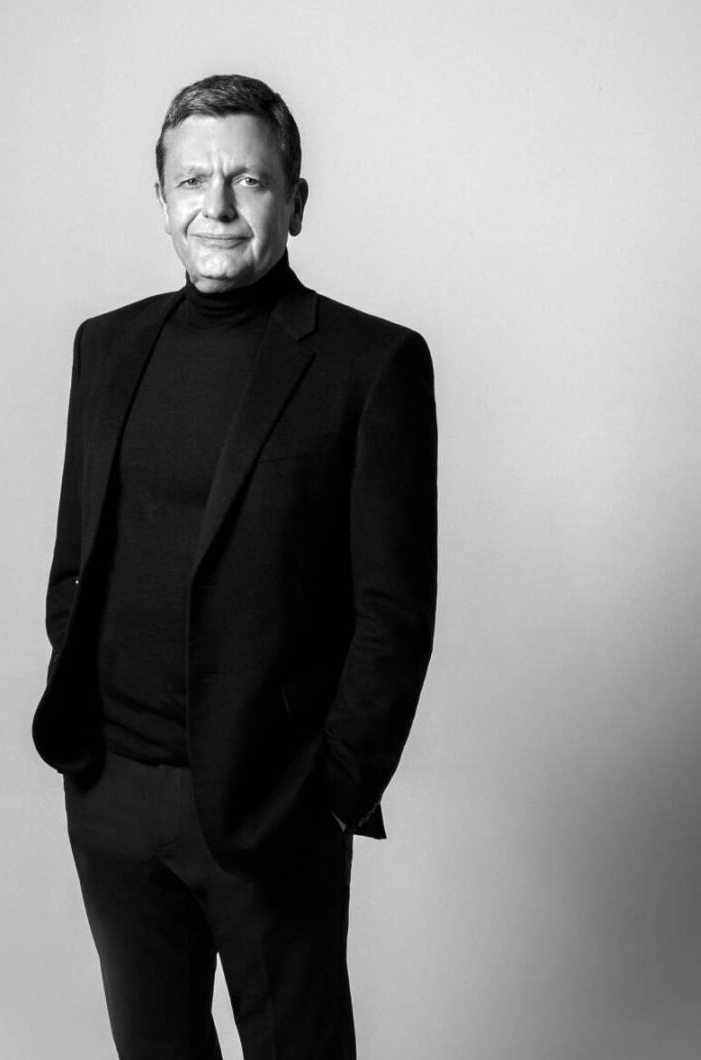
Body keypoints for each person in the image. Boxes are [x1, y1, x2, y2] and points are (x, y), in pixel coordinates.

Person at [31, 73, 437, 1059]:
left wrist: (332, 791)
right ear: (161, 196)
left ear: (294, 201)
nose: (215, 205)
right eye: (192, 179)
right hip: (113, 796)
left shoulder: (369, 366)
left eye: (247, 180)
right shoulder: (106, 347)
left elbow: (393, 612)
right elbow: (76, 560)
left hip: (272, 806)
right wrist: (91, 756)